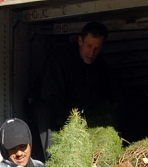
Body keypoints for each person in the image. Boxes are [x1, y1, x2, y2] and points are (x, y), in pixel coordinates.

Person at [34, 22, 110, 158]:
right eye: (89, 46)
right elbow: (51, 95)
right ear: (80, 40)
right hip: (50, 113)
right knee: (52, 156)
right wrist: (71, 123)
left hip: (73, 115)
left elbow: (99, 96)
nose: (92, 53)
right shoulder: (60, 59)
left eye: (97, 48)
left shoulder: (100, 65)